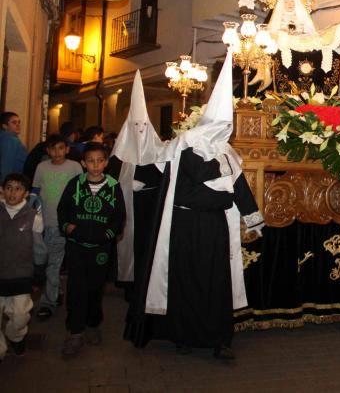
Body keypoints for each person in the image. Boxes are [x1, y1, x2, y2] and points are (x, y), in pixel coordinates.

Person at [132, 52, 263, 359]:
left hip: (215, 228)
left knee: (216, 283)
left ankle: (219, 340)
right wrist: (221, 196)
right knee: (185, 280)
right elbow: (184, 193)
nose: (222, 131)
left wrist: (253, 218)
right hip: (186, 226)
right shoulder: (185, 148)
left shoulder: (227, 152)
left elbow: (239, 187)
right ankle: (184, 335)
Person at [57, 142, 125, 356]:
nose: (95, 165)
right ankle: (75, 331)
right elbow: (63, 210)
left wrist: (107, 235)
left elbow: (119, 217)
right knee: (76, 288)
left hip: (101, 250)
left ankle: (92, 324)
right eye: (90, 161)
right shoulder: (74, 184)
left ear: (105, 163)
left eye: (99, 161)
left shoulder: (114, 186)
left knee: (95, 288)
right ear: (83, 163)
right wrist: (68, 228)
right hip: (77, 247)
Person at [110, 71, 165, 300]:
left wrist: (149, 186)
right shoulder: (118, 156)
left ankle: (146, 284)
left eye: (144, 124)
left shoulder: (158, 151)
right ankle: (129, 285)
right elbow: (109, 181)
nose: (140, 129)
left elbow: (165, 178)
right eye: (136, 124)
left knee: (148, 246)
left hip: (150, 208)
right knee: (128, 246)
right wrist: (125, 184)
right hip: (127, 208)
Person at [31, 135, 83, 320]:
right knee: (52, 263)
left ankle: (51, 299)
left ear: (67, 149)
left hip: (69, 222)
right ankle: (52, 297)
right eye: (53, 149)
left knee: (56, 264)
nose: (57, 152)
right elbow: (35, 191)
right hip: (49, 223)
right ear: (47, 151)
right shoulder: (42, 167)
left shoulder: (75, 167)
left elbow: (82, 191)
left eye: (61, 148)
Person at [0, 173, 42, 361]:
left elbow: (40, 249)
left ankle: (16, 337)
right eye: (8, 187)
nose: (12, 193)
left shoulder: (34, 218)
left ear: (26, 193)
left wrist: (39, 274)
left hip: (21, 275)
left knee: (19, 316)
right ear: (2, 190)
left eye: (18, 189)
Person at [0, 112, 27, 182]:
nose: (18, 125)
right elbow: (6, 164)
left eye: (19, 122)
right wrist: (5, 184)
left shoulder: (6, 137)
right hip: (13, 180)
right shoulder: (10, 139)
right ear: (5, 126)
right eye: (14, 123)